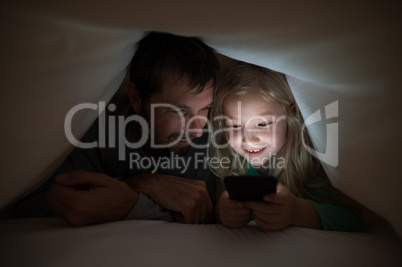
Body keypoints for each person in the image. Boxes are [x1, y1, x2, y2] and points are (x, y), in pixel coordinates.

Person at [13, 32, 220, 226]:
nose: (197, 131)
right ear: (137, 98)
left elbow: (209, 218)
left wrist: (130, 198)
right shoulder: (100, 126)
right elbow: (33, 206)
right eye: (179, 111)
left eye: (204, 109)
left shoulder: (211, 141)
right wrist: (143, 184)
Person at [208, 62, 365, 231]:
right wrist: (221, 213)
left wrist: (296, 211)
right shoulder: (227, 163)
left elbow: (354, 219)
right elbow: (208, 215)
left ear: (290, 115)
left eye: (262, 124)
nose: (248, 139)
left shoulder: (309, 164)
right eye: (235, 126)